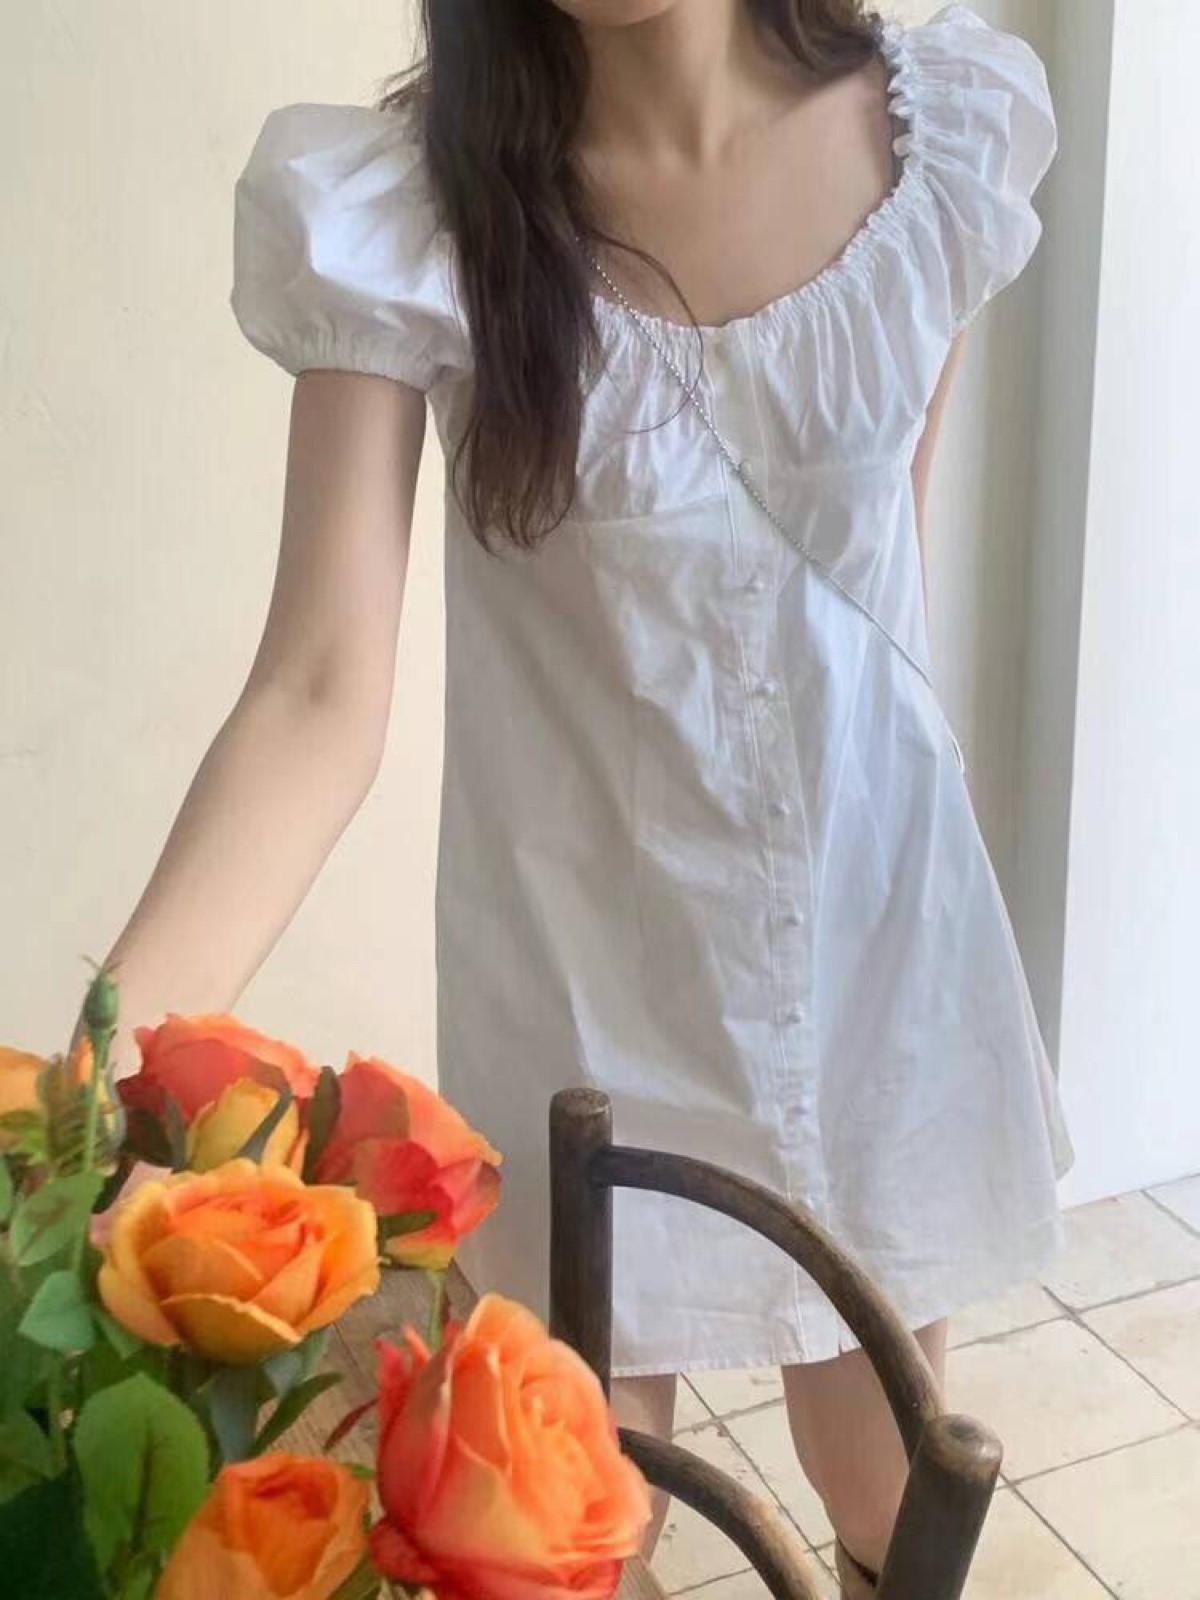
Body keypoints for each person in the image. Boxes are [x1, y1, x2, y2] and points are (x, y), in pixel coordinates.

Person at [99, 1, 1074, 1591]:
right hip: (581, 1004)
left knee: (893, 1497)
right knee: (569, 1540)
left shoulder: (936, 140)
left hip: (871, 961)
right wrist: (82, 1081)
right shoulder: (408, 209)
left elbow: (871, 566)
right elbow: (315, 695)